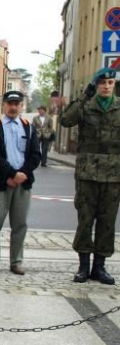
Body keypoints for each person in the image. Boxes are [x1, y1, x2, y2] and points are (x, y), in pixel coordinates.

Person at [60, 68, 120, 285]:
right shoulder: (86, 106)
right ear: (97, 85)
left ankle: (100, 267)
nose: (106, 86)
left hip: (114, 176)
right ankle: (83, 267)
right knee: (85, 221)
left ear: (114, 84)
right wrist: (85, 95)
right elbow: (65, 120)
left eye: (110, 82)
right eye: (102, 83)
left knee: (107, 223)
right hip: (87, 175)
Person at [0, 91, 41, 275]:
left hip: (22, 183)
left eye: (17, 103)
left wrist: (22, 173)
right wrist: (10, 174)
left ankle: (16, 261)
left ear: (22, 106)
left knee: (20, 224)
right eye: (10, 103)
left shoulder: (29, 127)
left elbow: (35, 155)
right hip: (0, 182)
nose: (13, 107)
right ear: (4, 105)